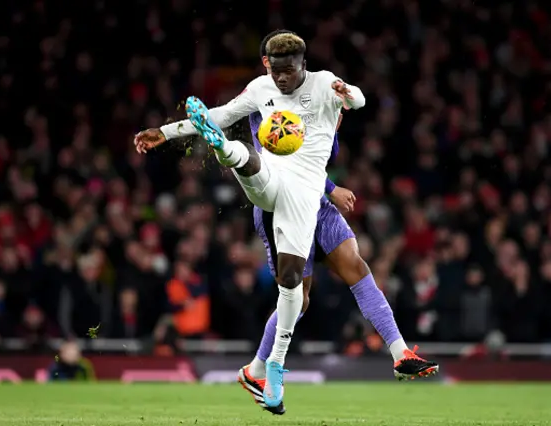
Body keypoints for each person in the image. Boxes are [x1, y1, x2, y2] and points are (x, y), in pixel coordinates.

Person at [134, 31, 363, 408]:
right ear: (265, 65)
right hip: (270, 179)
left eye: (290, 70)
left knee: (290, 282)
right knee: (241, 152)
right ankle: (222, 146)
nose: (283, 78)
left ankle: (274, 366)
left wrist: (346, 91)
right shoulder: (260, 88)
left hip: (304, 195)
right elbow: (221, 114)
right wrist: (166, 131)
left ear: (303, 65)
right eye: (277, 71)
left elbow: (360, 99)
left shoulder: (323, 83)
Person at [241, 30, 439, 415]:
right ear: (268, 65)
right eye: (275, 64)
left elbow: (328, 139)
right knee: (299, 301)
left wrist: (343, 99)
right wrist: (331, 188)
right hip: (281, 204)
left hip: (315, 200)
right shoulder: (260, 103)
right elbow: (274, 160)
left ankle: (400, 353)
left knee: (356, 264)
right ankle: (256, 369)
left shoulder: (318, 95)